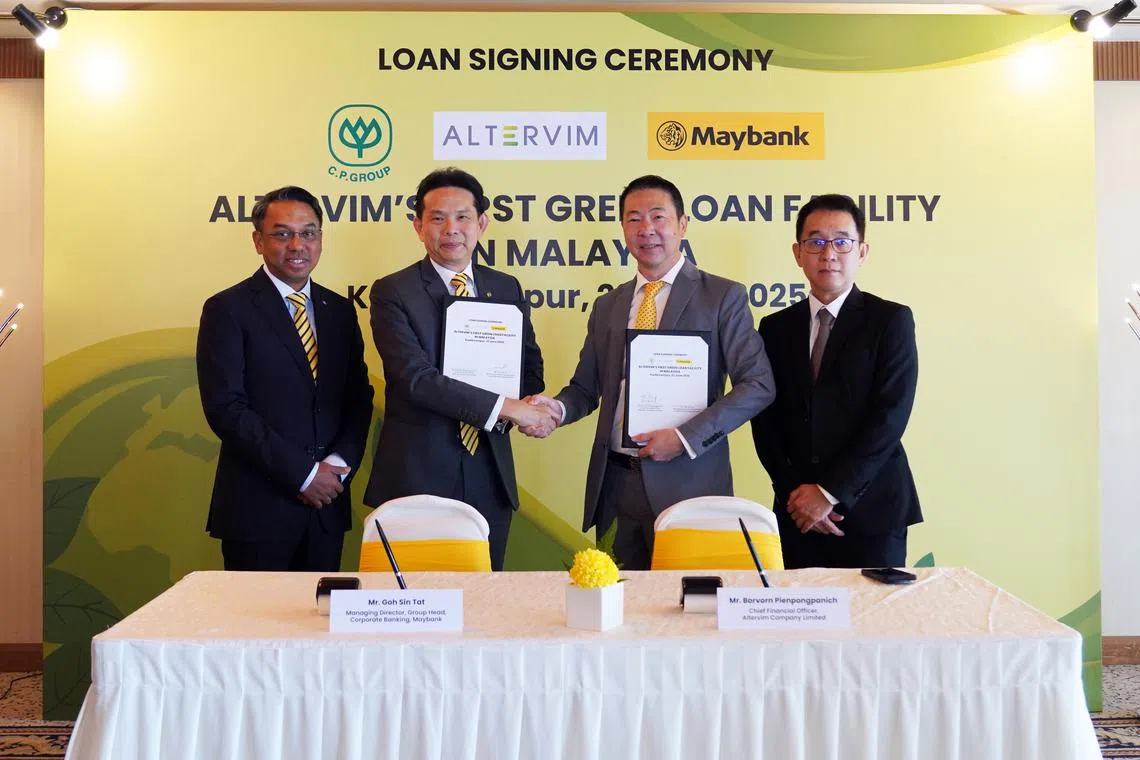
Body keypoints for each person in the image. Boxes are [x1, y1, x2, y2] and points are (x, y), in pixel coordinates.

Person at [526, 175, 775, 570]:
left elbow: (758, 385)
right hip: (616, 487)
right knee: (618, 603)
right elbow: (585, 389)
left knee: (688, 603)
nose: (646, 229)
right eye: (634, 219)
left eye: (658, 217)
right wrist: (556, 409)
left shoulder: (722, 296)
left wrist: (684, 438)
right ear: (623, 229)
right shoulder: (608, 305)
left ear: (682, 224)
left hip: (690, 484)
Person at [362, 167, 549, 571]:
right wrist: (508, 408)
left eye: (463, 216)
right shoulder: (393, 291)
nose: (451, 229)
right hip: (419, 473)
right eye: (437, 218)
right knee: (415, 598)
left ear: (482, 223)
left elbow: (529, 367)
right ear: (418, 226)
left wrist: (533, 404)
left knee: (485, 594)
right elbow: (414, 379)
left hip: (489, 471)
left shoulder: (506, 287)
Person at [197, 185, 374, 571]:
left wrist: (337, 466)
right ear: (258, 241)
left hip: (327, 507)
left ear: (320, 239)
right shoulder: (228, 309)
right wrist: (304, 475)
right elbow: (226, 408)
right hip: (258, 512)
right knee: (255, 613)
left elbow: (358, 398)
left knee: (321, 610)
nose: (297, 245)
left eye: (308, 233)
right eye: (282, 234)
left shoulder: (339, 311)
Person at [752, 193, 920, 569]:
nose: (828, 253)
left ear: (861, 251)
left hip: (872, 511)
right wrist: (796, 496)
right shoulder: (775, 328)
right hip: (797, 515)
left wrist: (828, 493)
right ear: (798, 253)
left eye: (842, 241)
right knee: (797, 609)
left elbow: (889, 418)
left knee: (873, 608)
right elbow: (765, 421)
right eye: (815, 242)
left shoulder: (890, 321)